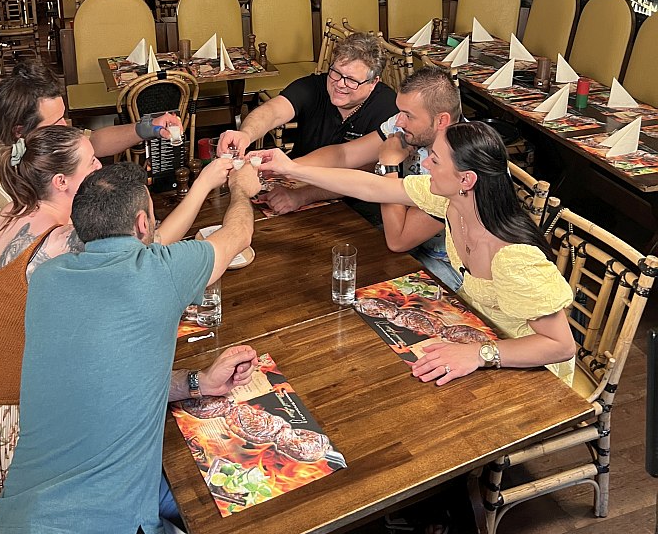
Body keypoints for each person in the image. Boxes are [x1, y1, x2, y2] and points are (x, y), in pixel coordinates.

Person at [0, 160, 289, 534]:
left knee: (190, 492)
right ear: (141, 223)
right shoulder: (159, 270)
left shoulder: (47, 279)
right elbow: (238, 234)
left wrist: (198, 382)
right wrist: (241, 190)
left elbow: (107, 377)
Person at [0, 126, 235, 489]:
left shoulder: (14, 210)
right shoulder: (61, 242)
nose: (100, 166)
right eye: (91, 161)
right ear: (61, 181)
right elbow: (151, 243)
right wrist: (204, 184)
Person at [259, 120, 576, 386]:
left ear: (466, 179)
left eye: (435, 160)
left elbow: (560, 346)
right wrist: (292, 169)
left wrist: (480, 354)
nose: (425, 164)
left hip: (529, 369)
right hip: (475, 332)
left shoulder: (515, 258)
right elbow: (372, 187)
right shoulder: (453, 201)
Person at [0, 61, 181, 333]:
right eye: (57, 122)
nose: (66, 126)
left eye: (64, 116)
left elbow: (91, 143)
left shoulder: (1, 143)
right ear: (20, 131)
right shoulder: (13, 184)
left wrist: (148, 128)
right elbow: (117, 251)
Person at [294, 67, 464, 290]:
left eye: (409, 116)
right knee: (323, 262)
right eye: (400, 111)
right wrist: (286, 168)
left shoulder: (460, 165)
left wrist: (389, 164)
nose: (399, 122)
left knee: (352, 286)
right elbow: (344, 154)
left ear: (442, 120)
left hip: (448, 265)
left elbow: (398, 241)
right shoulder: (409, 127)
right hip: (403, 239)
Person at [218, 33, 398, 216]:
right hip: (294, 180)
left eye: (351, 80)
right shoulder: (314, 86)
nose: (339, 84)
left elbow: (364, 173)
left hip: (356, 204)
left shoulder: (388, 107)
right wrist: (246, 134)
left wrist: (302, 194)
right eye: (336, 73)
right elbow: (272, 111)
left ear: (373, 82)